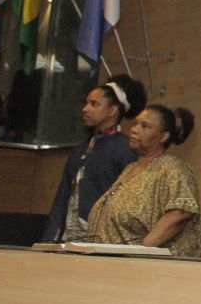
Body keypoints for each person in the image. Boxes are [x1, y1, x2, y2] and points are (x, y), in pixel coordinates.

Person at [85, 105, 201, 255]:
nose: (134, 129)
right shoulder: (131, 168)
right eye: (135, 123)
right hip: (112, 264)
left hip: (145, 268)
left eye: (145, 126)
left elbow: (180, 213)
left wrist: (142, 249)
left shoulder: (173, 168)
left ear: (163, 136)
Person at [42, 74, 148, 242]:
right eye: (86, 103)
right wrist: (49, 238)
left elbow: (131, 201)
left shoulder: (126, 150)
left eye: (94, 104)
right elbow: (62, 198)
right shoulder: (79, 150)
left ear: (112, 111)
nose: (85, 109)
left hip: (102, 239)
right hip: (67, 236)